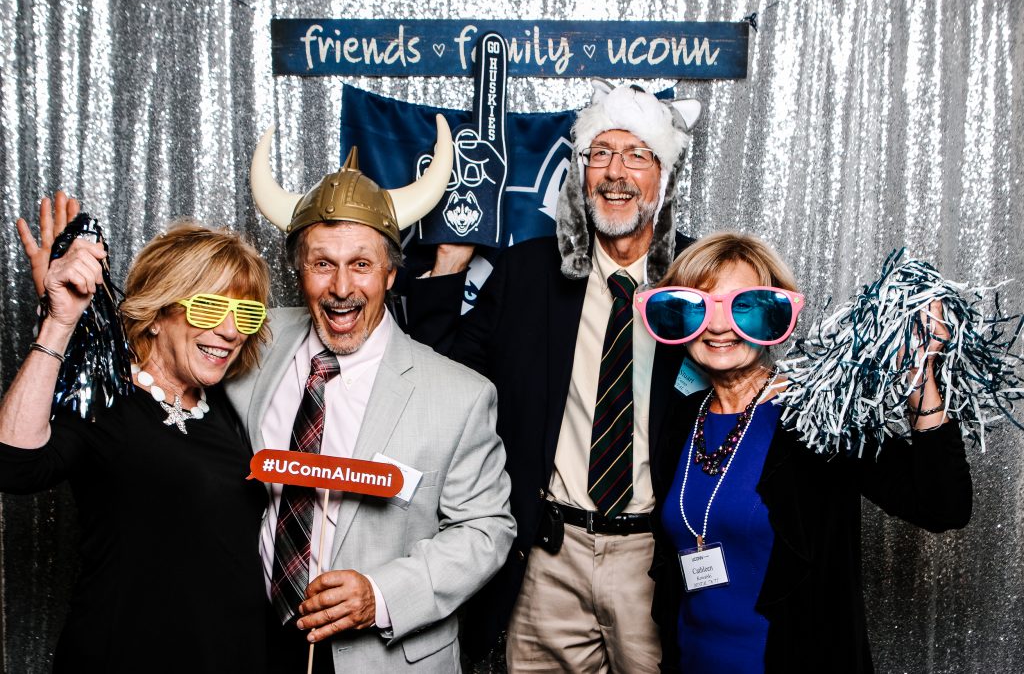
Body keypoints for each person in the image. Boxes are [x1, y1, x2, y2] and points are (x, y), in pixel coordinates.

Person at [404, 80, 703, 671]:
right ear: (581, 171)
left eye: (637, 155)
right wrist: (447, 267)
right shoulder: (526, 275)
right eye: (601, 154)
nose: (616, 172)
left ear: (663, 177)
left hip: (656, 557)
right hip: (549, 554)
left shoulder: (697, 280)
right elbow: (440, 380)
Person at [242, 114, 515, 672]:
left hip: (382, 656)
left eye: (361, 265)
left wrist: (382, 594)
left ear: (391, 275)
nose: (342, 288)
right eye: (323, 265)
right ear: (300, 271)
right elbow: (165, 349)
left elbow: (488, 529)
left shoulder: (460, 396)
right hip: (256, 643)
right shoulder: (250, 345)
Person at [638, 232, 973, 672]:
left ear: (776, 318)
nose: (719, 326)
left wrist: (922, 376)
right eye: (700, 307)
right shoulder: (681, 418)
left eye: (745, 307)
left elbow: (943, 505)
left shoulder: (817, 415)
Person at [0, 193, 272, 673]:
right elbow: (14, 465)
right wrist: (60, 323)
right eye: (209, 309)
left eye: (246, 316)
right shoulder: (106, 403)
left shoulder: (228, 408)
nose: (230, 331)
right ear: (158, 314)